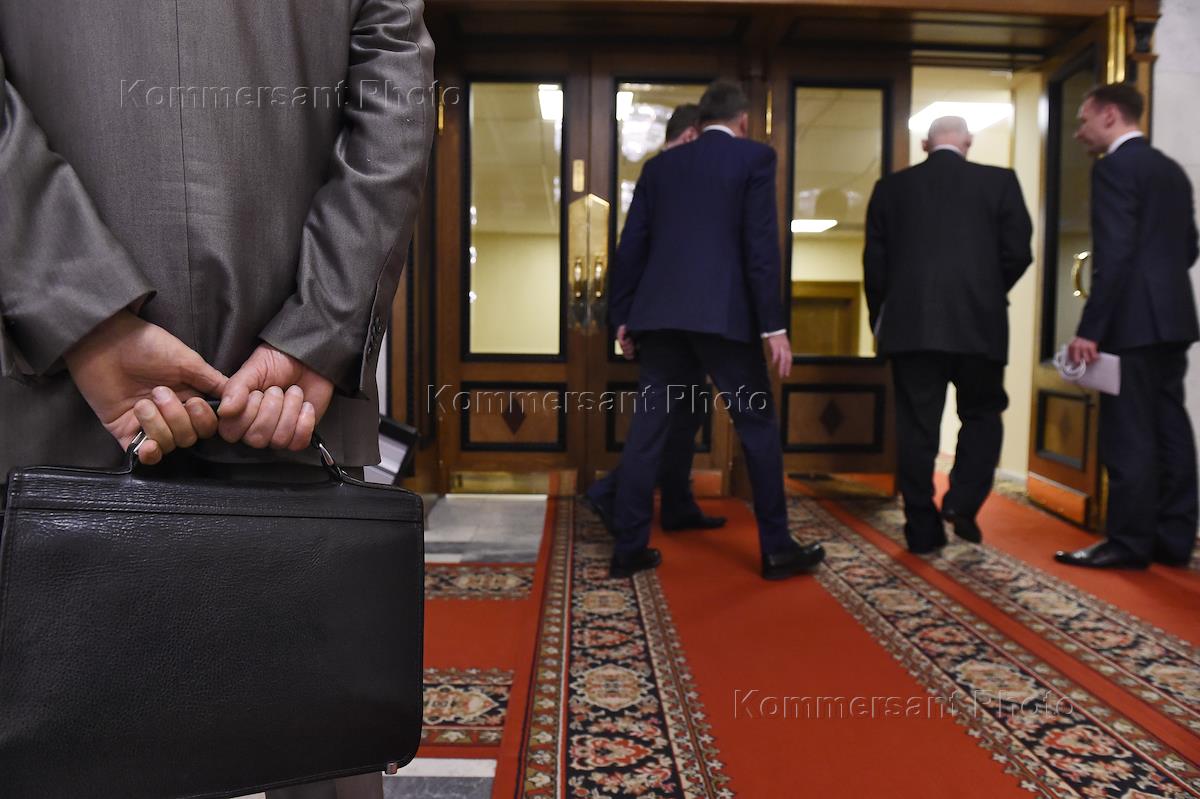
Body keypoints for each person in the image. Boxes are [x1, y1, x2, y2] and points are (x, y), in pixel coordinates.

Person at [0, 2, 435, 797]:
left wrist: (78, 309)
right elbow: (393, 89)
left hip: (54, 388)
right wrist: (319, 328)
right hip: (287, 408)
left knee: (57, 740)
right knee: (320, 750)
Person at [605, 80, 825, 580]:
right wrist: (773, 327)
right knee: (757, 428)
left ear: (701, 121)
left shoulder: (658, 168)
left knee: (647, 432)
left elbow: (631, 244)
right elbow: (760, 246)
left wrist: (622, 315)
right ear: (743, 120)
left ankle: (629, 548)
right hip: (723, 319)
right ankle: (776, 548)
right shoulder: (754, 158)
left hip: (660, 319)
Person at [863, 116, 1033, 554]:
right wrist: (986, 292)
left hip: (911, 329)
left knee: (917, 427)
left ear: (925, 144)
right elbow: (1019, 252)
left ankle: (921, 527)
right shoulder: (1000, 183)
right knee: (982, 413)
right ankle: (962, 502)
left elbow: (875, 266)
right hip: (980, 326)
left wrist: (882, 319)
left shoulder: (891, 188)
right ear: (968, 142)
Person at [1055, 83, 1199, 570]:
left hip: (1132, 323)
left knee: (1129, 434)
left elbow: (1114, 255)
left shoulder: (1114, 168)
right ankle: (1173, 540)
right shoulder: (1170, 169)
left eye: (1083, 121)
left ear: (1110, 115)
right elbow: (1189, 247)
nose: (1079, 132)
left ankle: (1128, 543)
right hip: (1174, 319)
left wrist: (1090, 329)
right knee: (1170, 427)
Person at [584, 103, 726, 535]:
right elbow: (632, 250)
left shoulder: (672, 176)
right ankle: (613, 496)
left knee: (686, 416)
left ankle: (676, 503)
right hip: (667, 322)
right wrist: (621, 318)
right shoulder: (666, 175)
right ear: (691, 135)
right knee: (661, 423)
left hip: (682, 320)